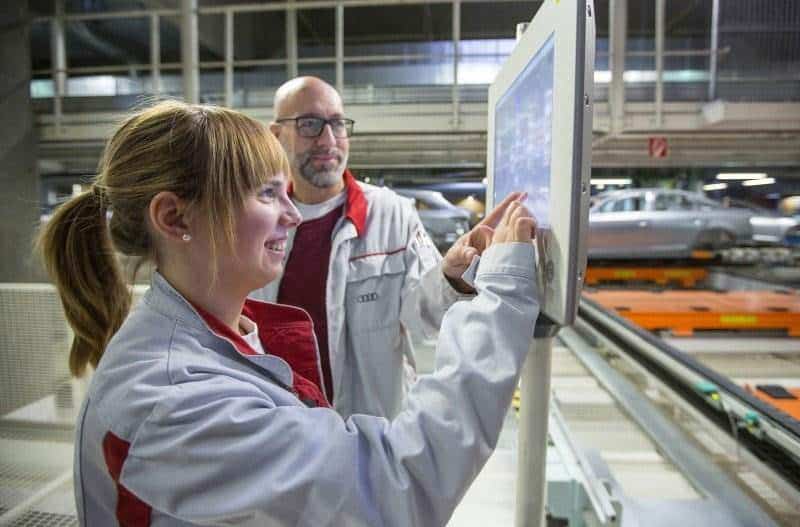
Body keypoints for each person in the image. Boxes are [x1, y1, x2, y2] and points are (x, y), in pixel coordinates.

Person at [38, 101, 539, 526]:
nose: (293, 215)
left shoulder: (227, 335)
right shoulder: (173, 399)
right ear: (174, 217)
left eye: (285, 191)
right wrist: (503, 294)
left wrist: (453, 280)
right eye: (266, 194)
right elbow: (395, 487)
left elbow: (413, 311)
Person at [254, 76, 515, 419]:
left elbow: (424, 319)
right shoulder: (259, 221)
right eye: (310, 124)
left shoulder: (391, 215)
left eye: (337, 124)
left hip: (370, 429)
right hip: (283, 426)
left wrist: (452, 276)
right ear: (276, 136)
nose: (328, 140)